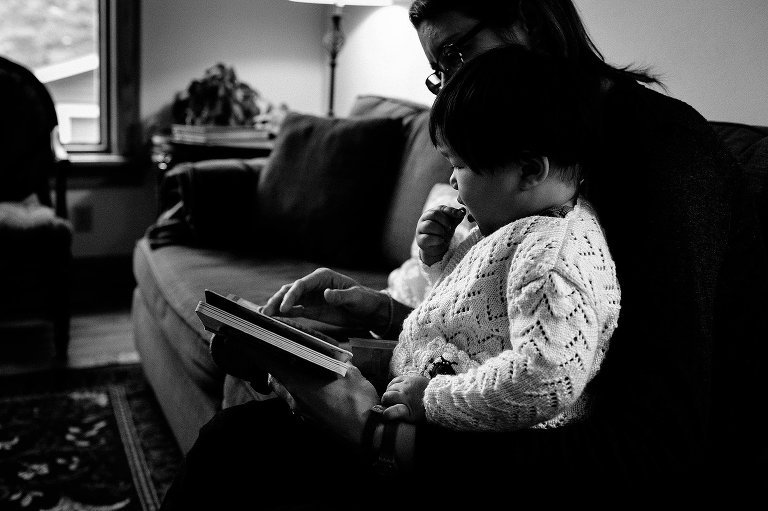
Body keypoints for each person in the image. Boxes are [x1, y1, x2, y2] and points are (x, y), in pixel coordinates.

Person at [161, 0, 765, 506]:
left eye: (454, 55)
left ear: (527, 17)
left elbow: (655, 444)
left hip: (558, 459)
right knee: (269, 377)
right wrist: (384, 316)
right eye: (438, 73)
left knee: (239, 452)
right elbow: (495, 317)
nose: (451, 89)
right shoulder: (527, 168)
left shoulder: (662, 156)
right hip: (481, 410)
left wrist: (371, 432)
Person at [379, 45, 621, 433]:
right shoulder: (520, 221)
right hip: (419, 393)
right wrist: (440, 261)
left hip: (467, 434)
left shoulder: (552, 257)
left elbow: (544, 380)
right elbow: (474, 316)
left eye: (459, 164)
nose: (452, 180)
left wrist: (429, 400)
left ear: (528, 170)